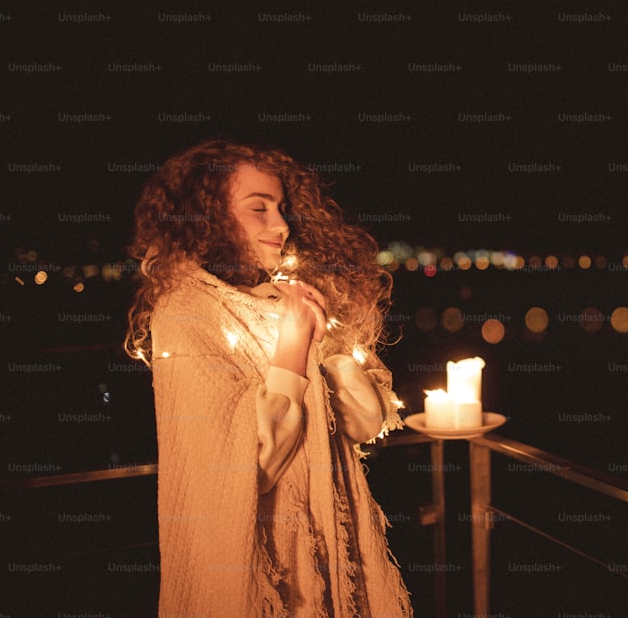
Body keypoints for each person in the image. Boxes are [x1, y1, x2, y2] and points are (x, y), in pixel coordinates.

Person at [125, 139, 413, 617]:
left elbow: (366, 423)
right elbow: (247, 465)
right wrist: (295, 342)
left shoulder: (282, 301)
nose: (280, 225)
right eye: (258, 208)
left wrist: (332, 347)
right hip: (269, 571)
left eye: (281, 208)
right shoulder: (186, 312)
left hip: (332, 549)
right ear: (207, 215)